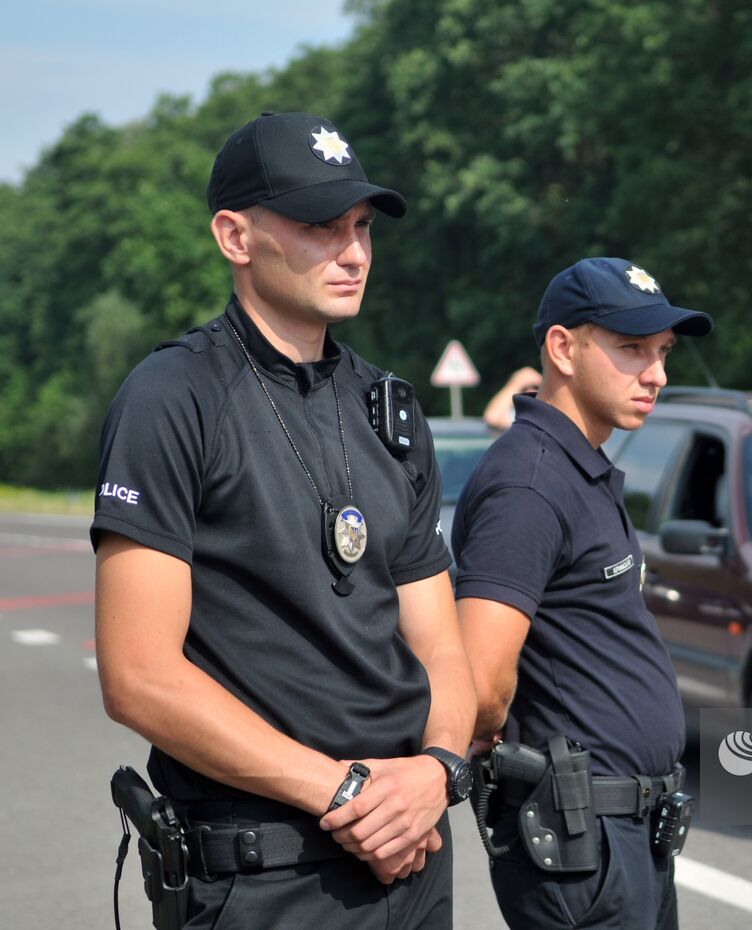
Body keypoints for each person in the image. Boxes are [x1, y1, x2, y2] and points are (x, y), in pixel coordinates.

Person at [93, 112, 475, 929]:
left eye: (363, 226)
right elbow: (139, 677)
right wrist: (347, 795)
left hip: (412, 858)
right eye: (318, 225)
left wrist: (438, 771)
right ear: (235, 235)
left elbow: (440, 644)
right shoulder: (173, 399)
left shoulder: (392, 409)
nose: (355, 251)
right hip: (266, 877)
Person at [450, 257, 712, 930]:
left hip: (622, 831)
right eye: (631, 349)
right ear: (563, 348)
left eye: (662, 352)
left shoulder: (576, 465)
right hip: (580, 839)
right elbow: (481, 681)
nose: (655, 372)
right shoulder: (530, 482)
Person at [482, 365, 542, 430]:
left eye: (535, 387)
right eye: (524, 388)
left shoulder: (544, 412)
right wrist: (516, 383)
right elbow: (492, 418)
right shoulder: (514, 413)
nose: (530, 391)